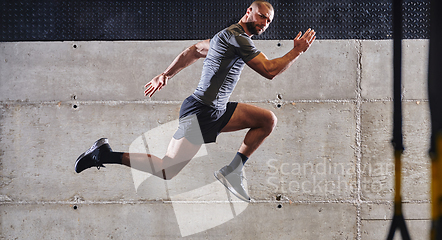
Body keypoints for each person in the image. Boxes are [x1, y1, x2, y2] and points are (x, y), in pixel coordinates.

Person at [75, 1, 316, 202]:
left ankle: (232, 171)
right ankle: (105, 155)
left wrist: (166, 75)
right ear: (248, 12)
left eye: (269, 21)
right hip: (200, 112)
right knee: (166, 169)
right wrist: (297, 51)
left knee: (266, 120)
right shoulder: (238, 38)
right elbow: (269, 70)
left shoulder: (226, 37)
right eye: (262, 16)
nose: (264, 23)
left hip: (217, 110)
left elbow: (194, 51)